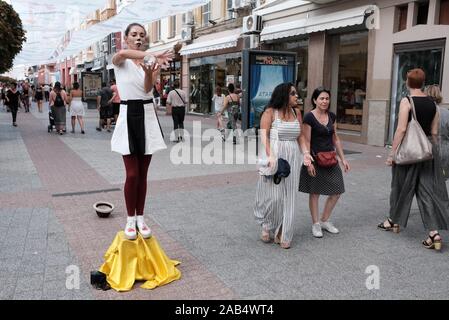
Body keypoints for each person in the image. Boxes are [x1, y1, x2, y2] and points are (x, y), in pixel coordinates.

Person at [111, 22, 173, 240]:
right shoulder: (120, 61)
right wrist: (152, 54)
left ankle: (140, 217)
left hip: (147, 115)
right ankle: (129, 219)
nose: (138, 38)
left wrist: (150, 69)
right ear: (126, 37)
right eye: (134, 35)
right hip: (128, 114)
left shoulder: (150, 62)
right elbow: (122, 53)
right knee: (132, 173)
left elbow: (148, 88)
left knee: (144, 174)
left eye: (142, 35)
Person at [379, 69, 449, 251]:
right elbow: (434, 133)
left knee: (401, 187)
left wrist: (392, 154)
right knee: (426, 192)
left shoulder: (407, 101)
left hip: (409, 153)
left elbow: (401, 129)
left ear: (408, 83)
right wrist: (433, 154)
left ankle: (393, 221)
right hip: (427, 153)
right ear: (423, 83)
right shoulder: (433, 104)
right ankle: (434, 234)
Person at [254, 83, 306, 249]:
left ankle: (284, 232)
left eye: (296, 94)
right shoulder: (270, 112)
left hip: (293, 156)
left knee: (290, 197)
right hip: (275, 156)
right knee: (275, 197)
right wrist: (271, 156)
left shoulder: (297, 112)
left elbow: (301, 137)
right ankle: (267, 224)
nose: (296, 96)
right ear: (283, 95)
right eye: (293, 94)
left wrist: (306, 154)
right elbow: (264, 137)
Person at [299, 87, 350, 238]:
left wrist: (343, 158)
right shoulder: (309, 117)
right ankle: (315, 224)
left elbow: (336, 138)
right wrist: (308, 161)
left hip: (330, 158)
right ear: (315, 100)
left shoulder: (332, 116)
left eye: (327, 98)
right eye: (321, 98)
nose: (324, 101)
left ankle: (324, 220)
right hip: (315, 158)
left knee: (337, 190)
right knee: (315, 193)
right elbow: (306, 140)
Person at [425, 84, 449, 180]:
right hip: (444, 151)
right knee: (442, 180)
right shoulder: (447, 113)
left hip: (427, 150)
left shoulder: (423, 111)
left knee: (427, 181)